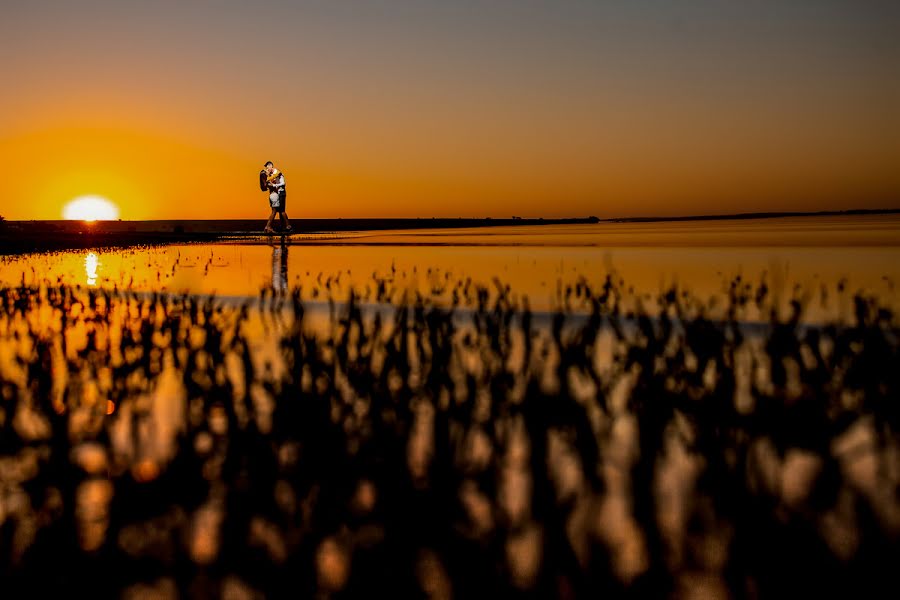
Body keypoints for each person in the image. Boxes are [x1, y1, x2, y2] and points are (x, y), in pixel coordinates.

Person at [261, 161, 292, 234]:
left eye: (267, 167)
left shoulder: (277, 173)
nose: (267, 169)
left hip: (280, 193)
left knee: (280, 211)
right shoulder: (270, 176)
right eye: (266, 167)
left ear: (271, 166)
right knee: (278, 211)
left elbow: (283, 183)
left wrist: (273, 185)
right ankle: (284, 226)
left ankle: (285, 226)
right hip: (275, 194)